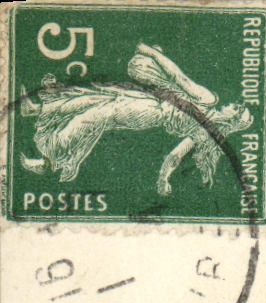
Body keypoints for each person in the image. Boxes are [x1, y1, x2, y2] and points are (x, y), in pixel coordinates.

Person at [19, 43, 254, 196]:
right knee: (96, 100)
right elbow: (175, 154)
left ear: (232, 118)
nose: (234, 104)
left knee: (97, 115)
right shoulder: (207, 129)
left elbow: (178, 77)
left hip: (151, 110)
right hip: (149, 103)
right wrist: (163, 179)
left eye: (238, 108)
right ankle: (38, 110)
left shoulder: (209, 101)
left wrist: (152, 53)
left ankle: (49, 157)